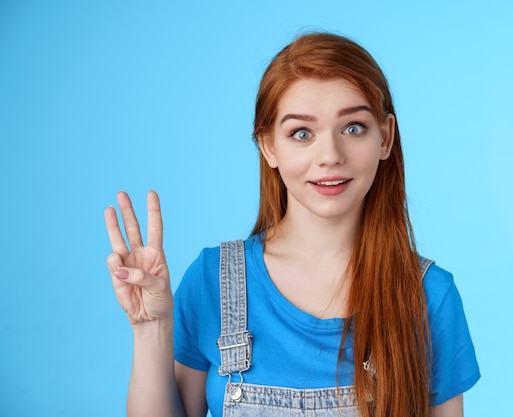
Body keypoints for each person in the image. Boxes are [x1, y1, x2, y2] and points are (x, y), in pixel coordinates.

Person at [104, 32, 480, 417]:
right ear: (268, 146)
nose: (330, 156)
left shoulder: (429, 296)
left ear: (385, 138)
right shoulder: (211, 281)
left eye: (353, 128)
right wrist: (149, 328)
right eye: (302, 133)